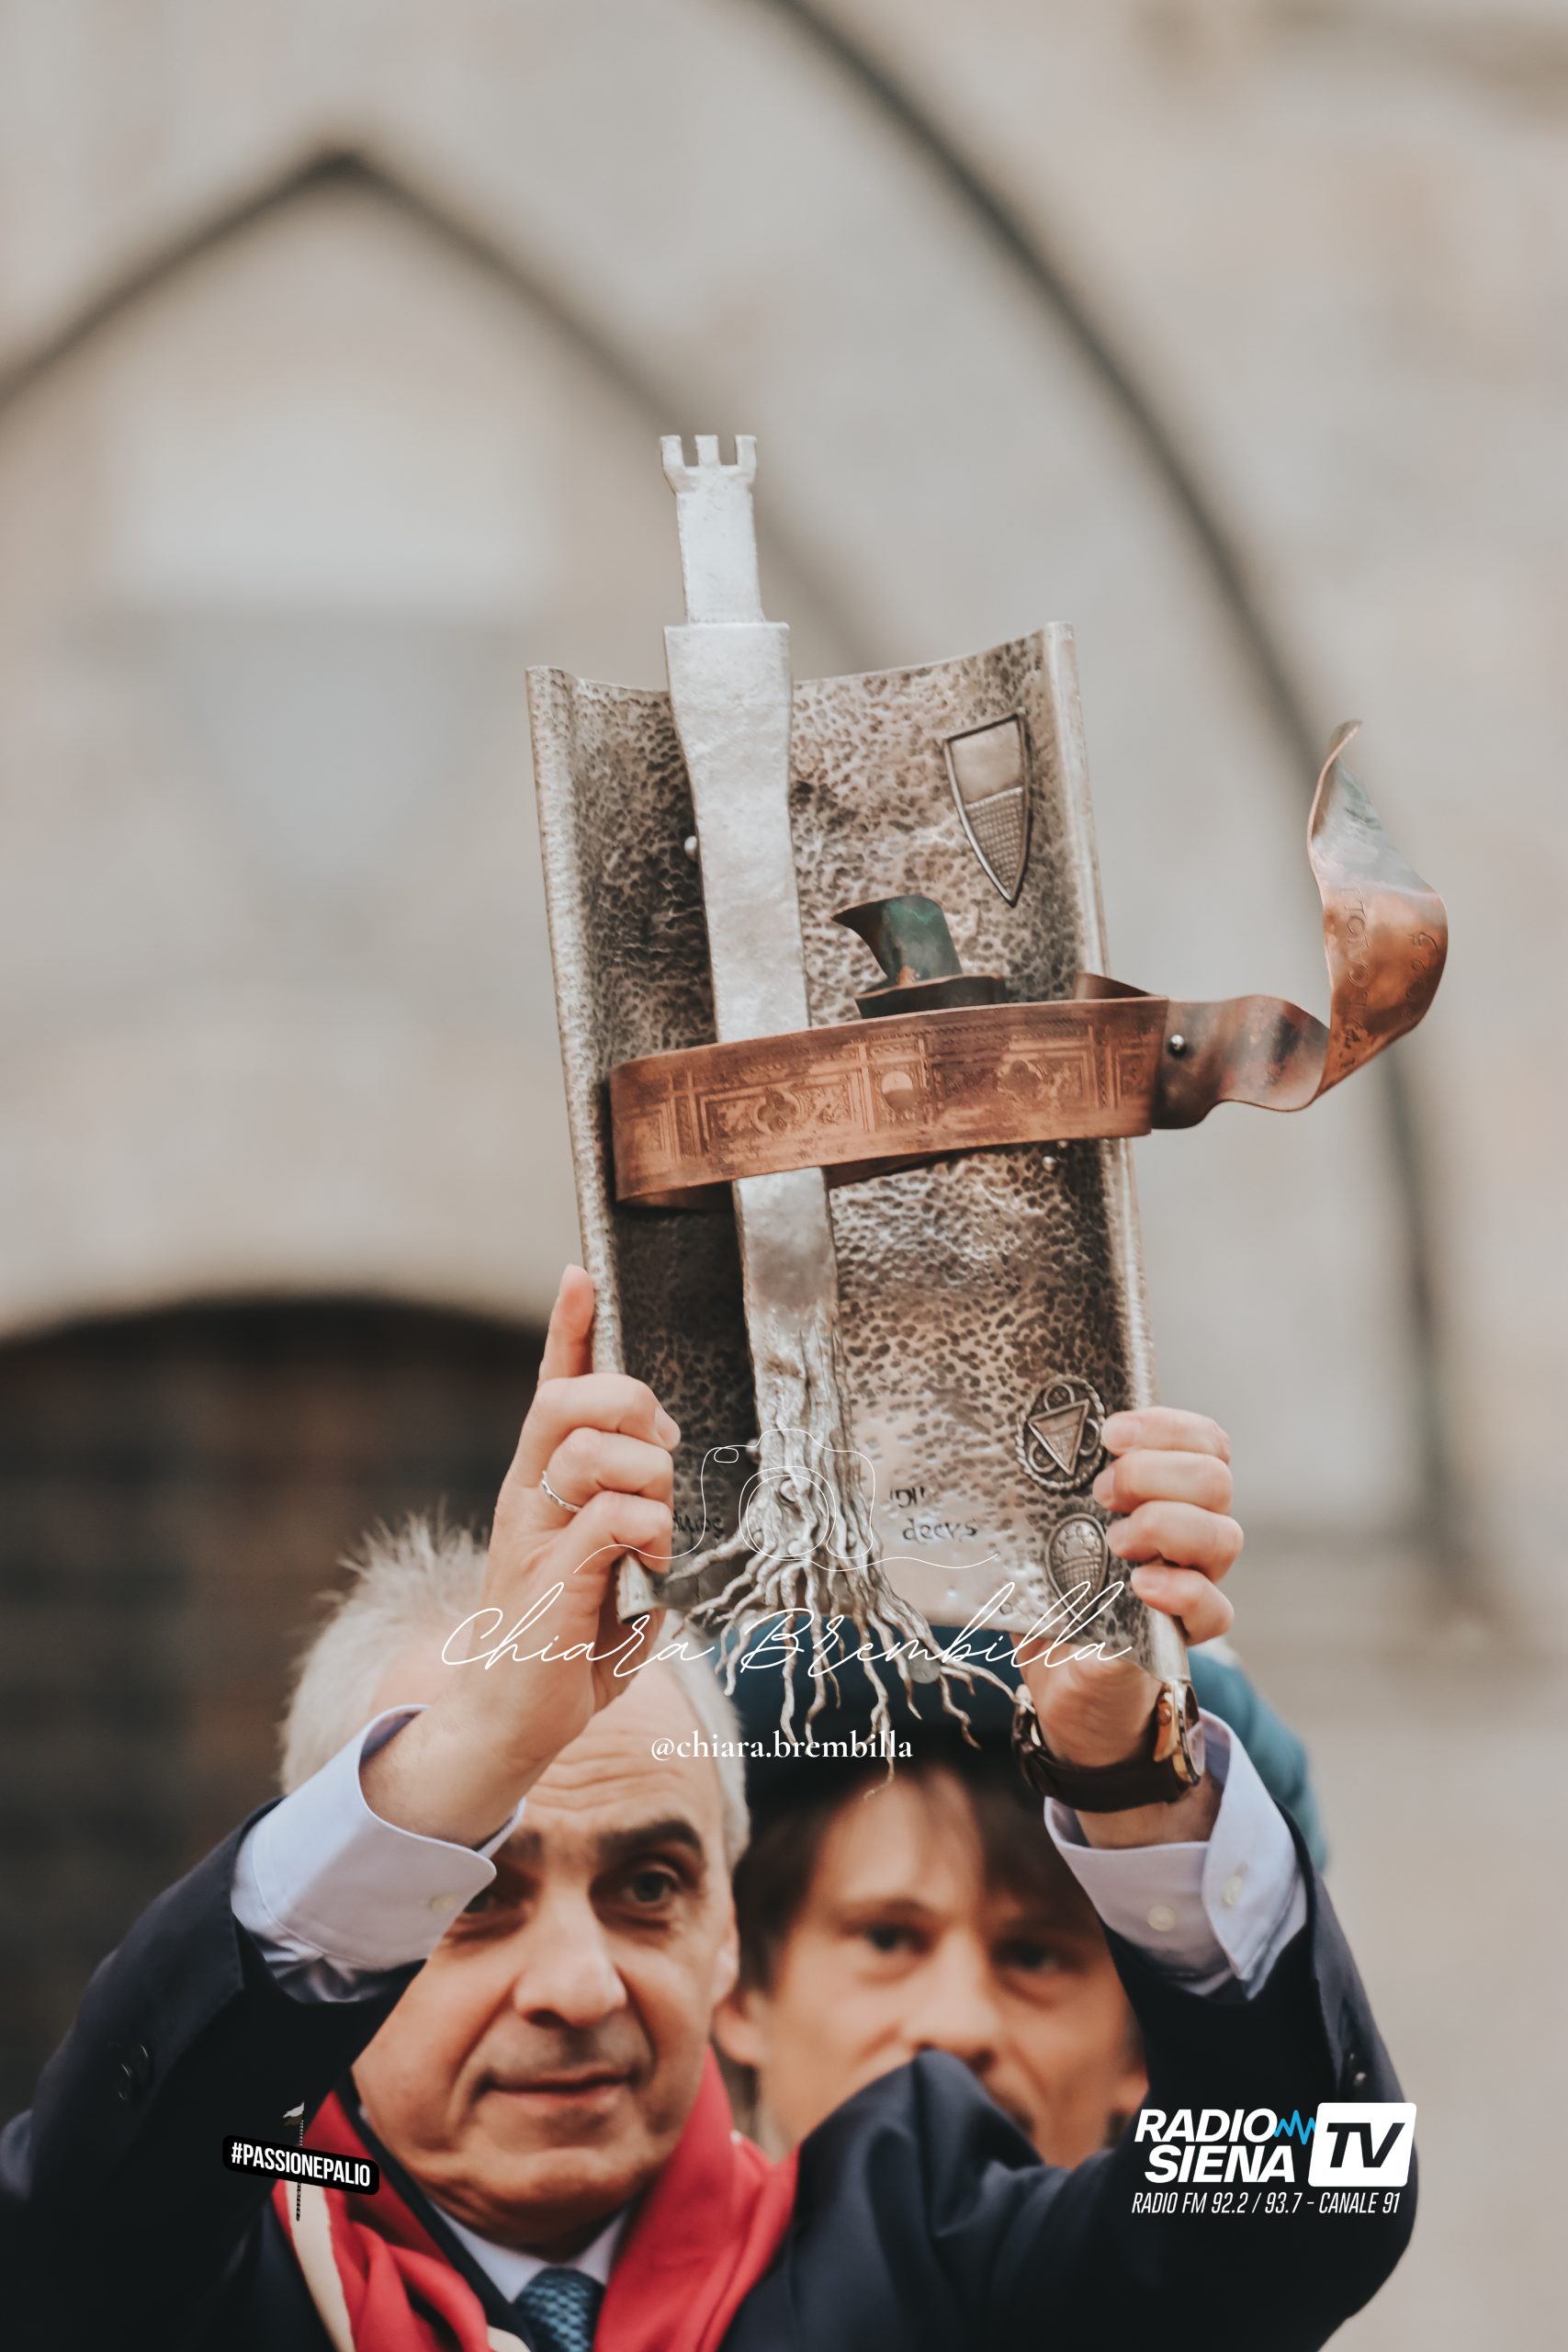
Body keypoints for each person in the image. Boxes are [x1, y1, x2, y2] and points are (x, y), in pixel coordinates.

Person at [1, 1266, 1414, 2351]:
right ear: (357, 1929)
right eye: (473, 1895)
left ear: (730, 1943)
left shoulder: (915, 2236)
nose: (577, 1986)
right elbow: (81, 2206)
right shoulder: (219, 2243)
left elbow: (1315, 2195)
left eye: (649, 1888)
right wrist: (471, 1748)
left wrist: (1127, 1773)